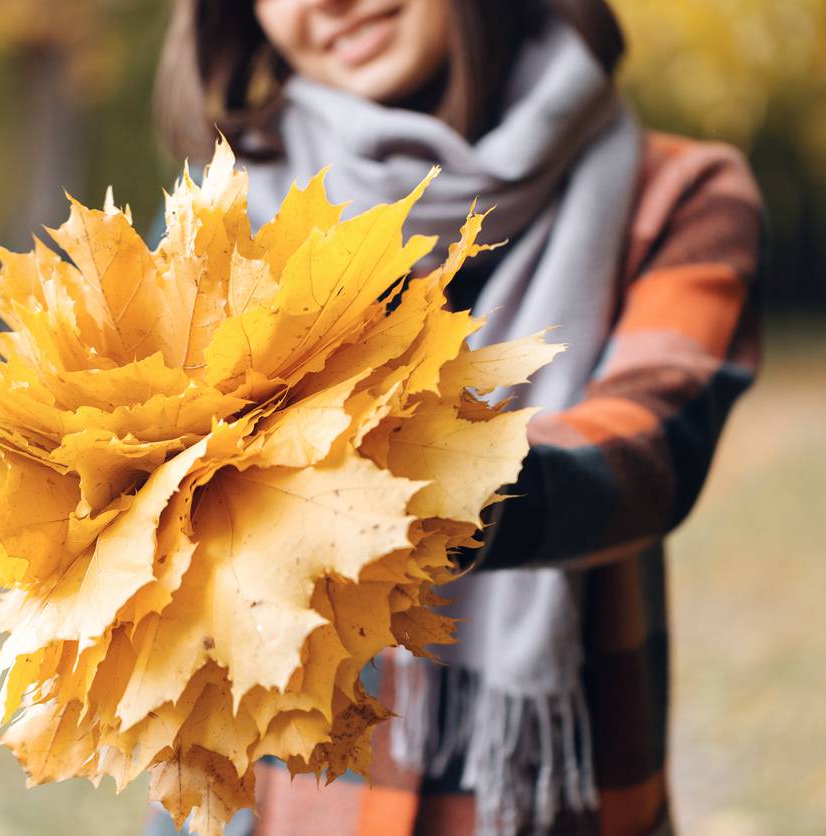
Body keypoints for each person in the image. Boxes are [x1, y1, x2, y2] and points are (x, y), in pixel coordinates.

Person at [146, 1, 765, 834]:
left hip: (548, 808)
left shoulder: (678, 195)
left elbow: (645, 452)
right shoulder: (217, 218)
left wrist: (384, 488)